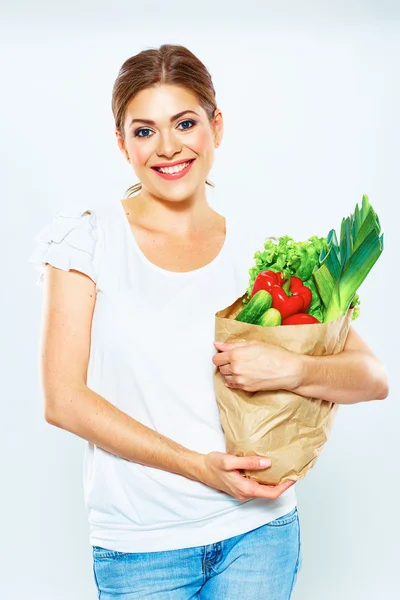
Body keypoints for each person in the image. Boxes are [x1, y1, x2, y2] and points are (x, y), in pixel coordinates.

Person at [28, 44, 388, 600]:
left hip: (258, 534)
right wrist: (200, 467)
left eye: (186, 123)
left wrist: (289, 368)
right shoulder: (87, 239)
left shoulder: (256, 252)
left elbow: (371, 376)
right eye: (144, 131)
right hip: (140, 547)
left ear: (216, 127)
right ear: (121, 143)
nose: (168, 148)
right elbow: (62, 400)